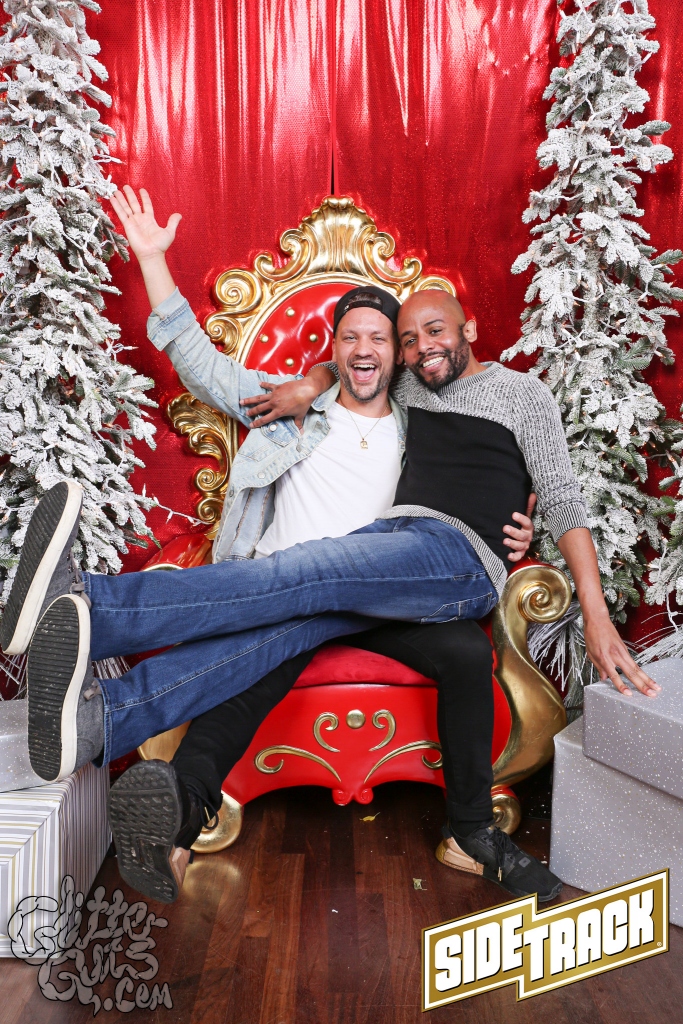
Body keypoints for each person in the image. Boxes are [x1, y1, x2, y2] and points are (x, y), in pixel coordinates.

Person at [2, 187, 658, 906]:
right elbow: (204, 366)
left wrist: (578, 594)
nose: (404, 349)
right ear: (339, 348)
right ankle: (115, 734)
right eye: (369, 338)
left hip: (416, 566)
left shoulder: (463, 397)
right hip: (335, 575)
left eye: (407, 336)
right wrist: (298, 376)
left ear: (459, 331)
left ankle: (91, 607)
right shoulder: (320, 405)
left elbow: (551, 493)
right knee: (278, 630)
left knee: (325, 585)